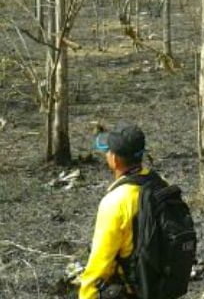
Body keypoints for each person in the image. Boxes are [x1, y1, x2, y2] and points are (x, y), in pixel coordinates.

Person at [79, 123, 149, 299]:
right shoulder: (162, 185)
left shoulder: (115, 202)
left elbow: (100, 262)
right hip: (163, 285)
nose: (106, 155)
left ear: (115, 160)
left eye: (108, 151)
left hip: (133, 290)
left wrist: (86, 294)